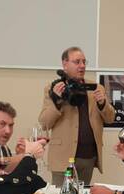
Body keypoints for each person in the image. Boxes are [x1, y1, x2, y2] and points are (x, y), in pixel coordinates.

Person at [38, 46, 116, 186]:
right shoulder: (53, 88)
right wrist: (57, 100)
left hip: (88, 157)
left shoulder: (97, 87)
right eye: (77, 62)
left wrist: (103, 103)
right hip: (63, 158)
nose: (82, 66)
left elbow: (110, 118)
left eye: (84, 62)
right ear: (65, 64)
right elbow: (45, 123)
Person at [0, 100, 46, 176]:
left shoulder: (2, 147)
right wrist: (28, 155)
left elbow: (11, 178)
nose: (8, 131)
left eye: (11, 125)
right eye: (2, 124)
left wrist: (20, 154)